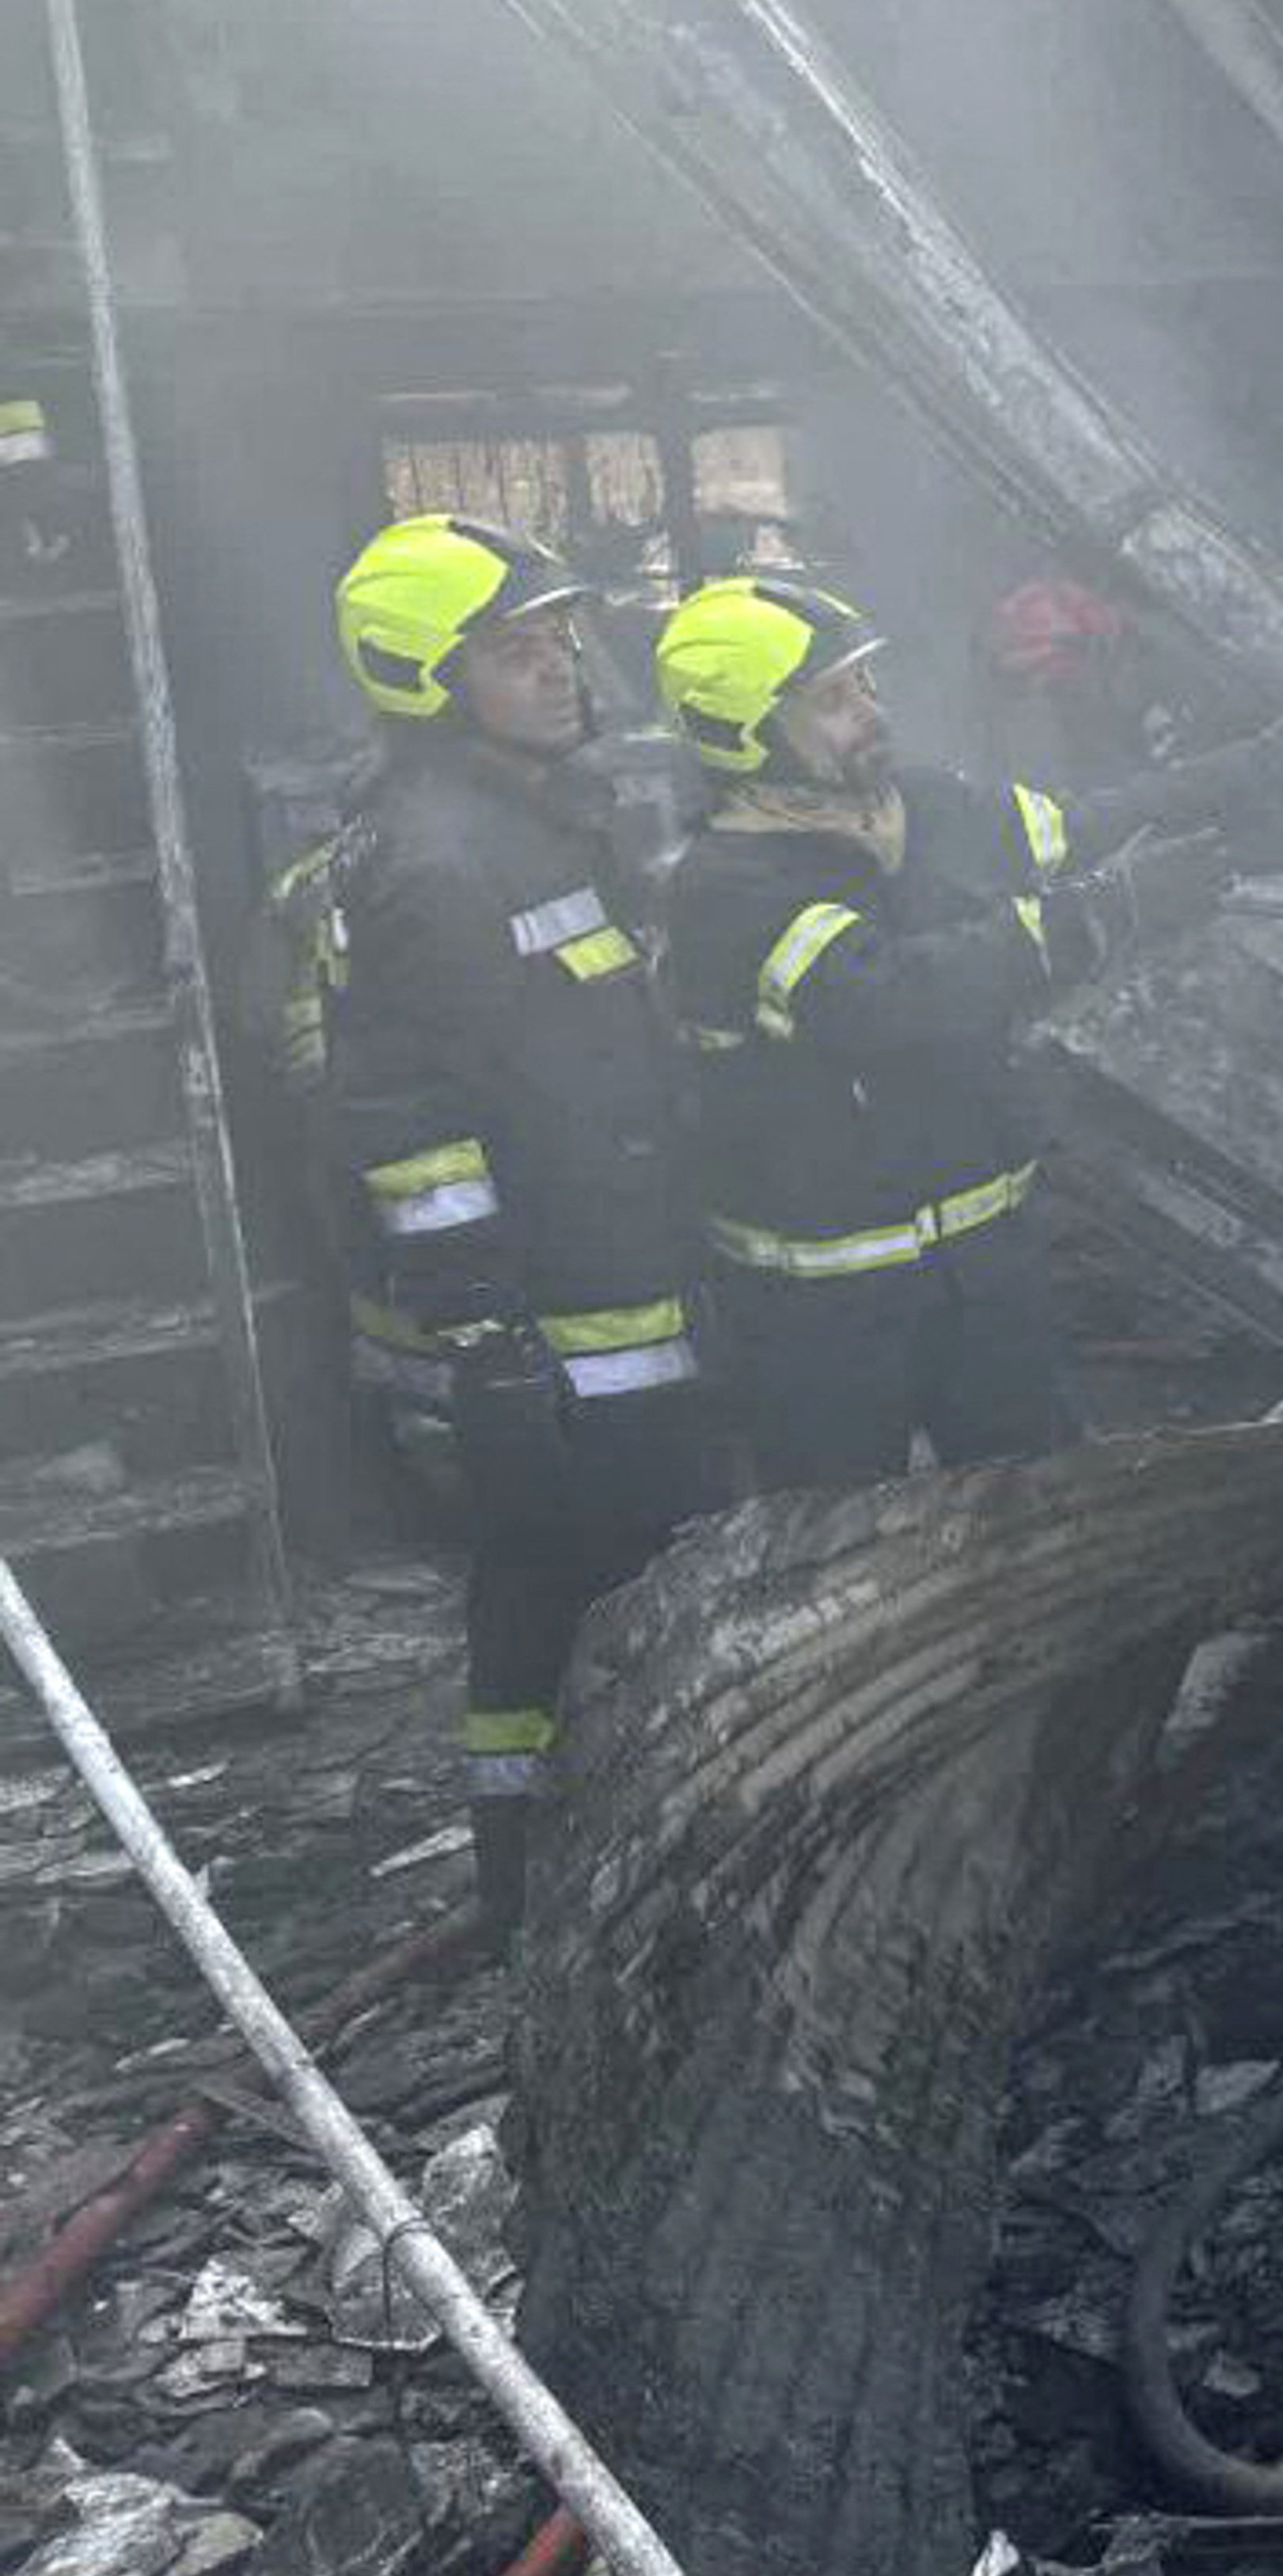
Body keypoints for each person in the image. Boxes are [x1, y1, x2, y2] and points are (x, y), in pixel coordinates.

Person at [649, 571, 1283, 1489]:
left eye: (866, 685)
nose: (869, 713)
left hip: (986, 1273)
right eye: (831, 702)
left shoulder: (923, 805)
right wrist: (1100, 915)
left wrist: (1261, 765)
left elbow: (1080, 826)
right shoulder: (726, 886)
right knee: (835, 1551)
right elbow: (888, 997)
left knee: (1038, 1514)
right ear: (738, 731)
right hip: (824, 1307)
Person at [316, 511, 717, 1925]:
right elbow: (411, 1131)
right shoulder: (434, 861)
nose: (558, 670)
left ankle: (627, 1863)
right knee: (546, 1602)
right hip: (552, 1320)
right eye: (512, 650)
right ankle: (536, 1895)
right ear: (426, 677)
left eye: (558, 640)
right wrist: (487, 1338)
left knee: (619, 1577)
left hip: (614, 1277)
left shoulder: (537, 815)